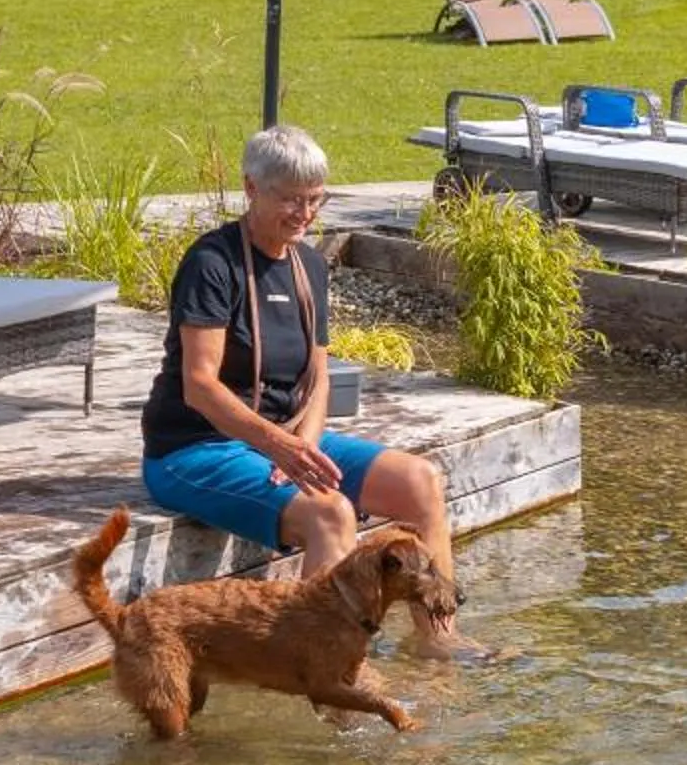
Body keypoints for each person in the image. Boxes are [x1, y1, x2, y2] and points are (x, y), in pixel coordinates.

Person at [140, 123, 462, 625]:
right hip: (195, 448)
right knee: (330, 512)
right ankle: (325, 663)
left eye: (315, 199)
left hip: (283, 440)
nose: (305, 213)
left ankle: (438, 647)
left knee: (419, 482)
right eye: (290, 199)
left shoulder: (308, 265)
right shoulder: (212, 263)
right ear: (251, 188)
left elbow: (319, 376)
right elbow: (199, 386)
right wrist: (278, 447)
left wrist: (303, 446)